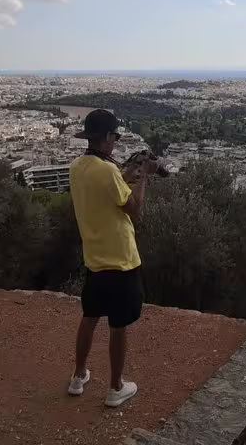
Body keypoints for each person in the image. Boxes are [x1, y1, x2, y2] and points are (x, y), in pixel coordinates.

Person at [68, 110, 156, 407]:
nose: (116, 143)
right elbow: (135, 209)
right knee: (119, 325)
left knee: (90, 318)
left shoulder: (78, 166)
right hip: (120, 258)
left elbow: (105, 186)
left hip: (94, 256)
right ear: (106, 137)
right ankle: (116, 387)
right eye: (115, 137)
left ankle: (78, 376)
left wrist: (126, 174)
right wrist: (142, 177)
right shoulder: (107, 171)